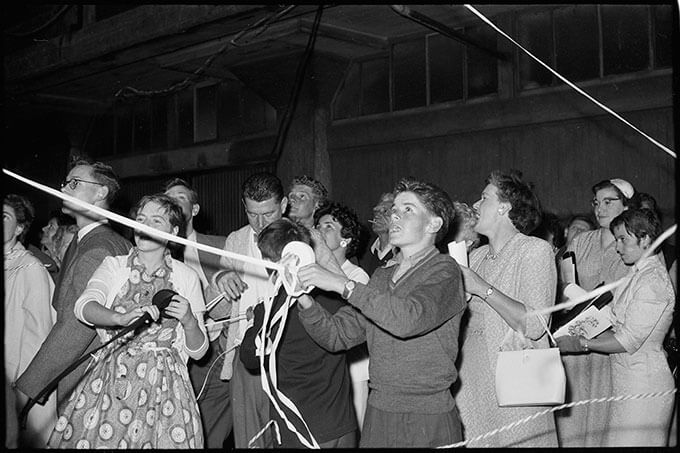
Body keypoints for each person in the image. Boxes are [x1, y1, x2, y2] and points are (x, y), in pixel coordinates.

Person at [297, 177, 466, 448]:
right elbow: (337, 336)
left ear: (434, 224)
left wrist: (344, 285)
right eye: (395, 210)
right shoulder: (381, 276)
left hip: (426, 415)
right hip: (379, 411)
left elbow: (408, 319)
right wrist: (302, 297)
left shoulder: (445, 271)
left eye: (408, 209)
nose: (395, 215)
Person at [47, 193, 209, 448]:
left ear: (174, 231)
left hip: (164, 389)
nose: (145, 226)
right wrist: (118, 318)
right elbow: (83, 306)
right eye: (141, 219)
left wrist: (189, 320)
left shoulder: (186, 277)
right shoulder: (115, 266)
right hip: (112, 381)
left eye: (156, 221)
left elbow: (200, 353)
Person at [15, 160, 132, 413]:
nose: (65, 189)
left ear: (101, 192)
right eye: (65, 183)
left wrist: (25, 390)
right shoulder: (94, 241)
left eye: (75, 183)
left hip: (87, 383)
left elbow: (75, 325)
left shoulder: (97, 248)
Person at [456, 169, 558, 447]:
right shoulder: (475, 256)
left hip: (515, 381)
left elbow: (536, 324)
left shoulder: (534, 250)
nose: (475, 205)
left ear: (505, 206)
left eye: (483, 198)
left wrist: (481, 288)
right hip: (471, 380)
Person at [556, 208, 675, 446]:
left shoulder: (652, 281)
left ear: (646, 239)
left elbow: (627, 340)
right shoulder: (636, 275)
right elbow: (608, 315)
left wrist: (582, 343)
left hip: (645, 383)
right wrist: (569, 329)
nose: (618, 247)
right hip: (626, 380)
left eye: (623, 240)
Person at [240, 218, 359, 447]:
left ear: (268, 261)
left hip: (299, 428)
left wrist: (255, 322)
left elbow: (249, 358)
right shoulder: (335, 298)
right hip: (342, 425)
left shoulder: (269, 310)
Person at [555, 177, 636, 447]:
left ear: (625, 206)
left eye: (608, 202)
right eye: (596, 202)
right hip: (576, 335)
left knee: (602, 418)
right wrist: (578, 300)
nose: (600, 208)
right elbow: (566, 282)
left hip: (608, 341)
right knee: (573, 422)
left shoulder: (632, 244)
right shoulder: (581, 242)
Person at [212, 172, 288, 448]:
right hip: (248, 356)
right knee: (249, 441)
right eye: (252, 214)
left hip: (290, 358)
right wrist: (219, 280)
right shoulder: (236, 240)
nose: (259, 223)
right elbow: (218, 310)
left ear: (284, 205)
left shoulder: (306, 239)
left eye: (268, 214)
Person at [163, 177, 231, 448]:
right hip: (174, 353)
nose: (173, 202)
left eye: (180, 197)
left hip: (216, 351)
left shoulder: (222, 245)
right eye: (168, 198)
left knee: (208, 431)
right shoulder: (156, 252)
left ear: (195, 209)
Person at [4, 194, 56, 447]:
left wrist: (22, 393)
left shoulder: (30, 268)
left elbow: (39, 335)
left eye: (5, 217)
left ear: (20, 228)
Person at [313, 202, 370, 433]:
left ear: (345, 239)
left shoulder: (357, 276)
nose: (318, 230)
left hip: (351, 370)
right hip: (319, 371)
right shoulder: (311, 270)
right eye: (317, 225)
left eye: (328, 226)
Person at [360, 192, 396, 276]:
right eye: (376, 212)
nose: (377, 216)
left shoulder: (402, 254)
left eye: (385, 211)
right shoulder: (364, 252)